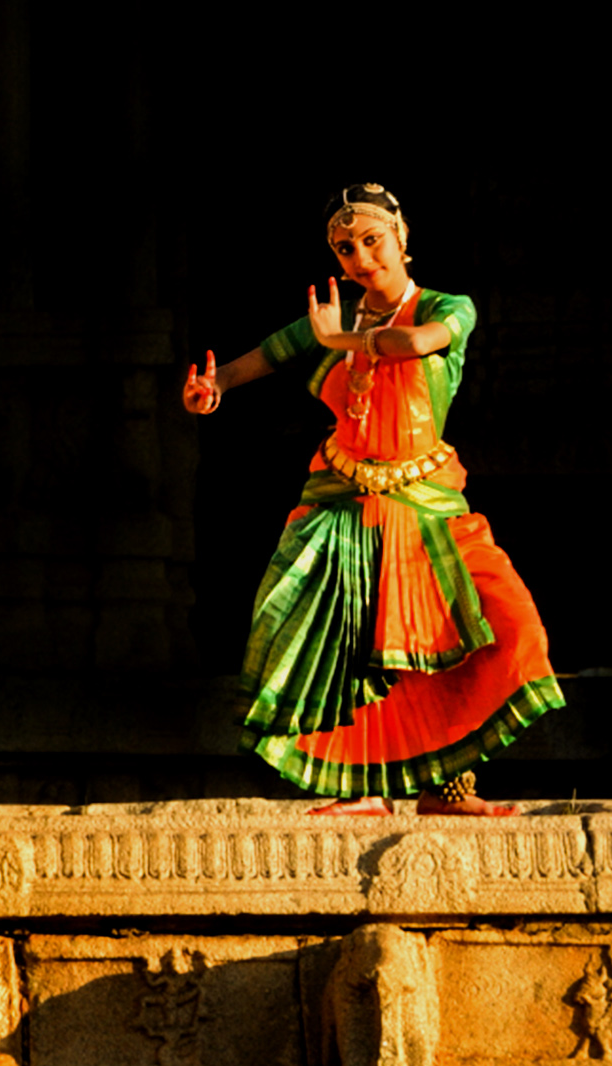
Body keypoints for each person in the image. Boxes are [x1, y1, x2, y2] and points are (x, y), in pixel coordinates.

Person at [182, 183, 563, 817]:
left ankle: (451, 787)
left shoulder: (446, 305)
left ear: (402, 237)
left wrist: (338, 344)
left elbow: (417, 344)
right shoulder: (334, 317)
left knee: (497, 626)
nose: (361, 258)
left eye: (371, 240)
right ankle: (366, 790)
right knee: (353, 649)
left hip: (427, 502)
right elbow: (262, 359)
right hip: (346, 500)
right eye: (345, 247)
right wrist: (211, 386)